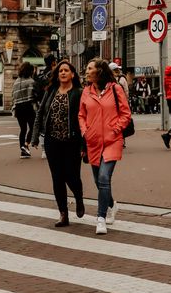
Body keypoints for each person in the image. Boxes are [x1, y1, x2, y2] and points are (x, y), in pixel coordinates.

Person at [79, 58, 132, 235]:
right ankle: (111, 204)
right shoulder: (86, 91)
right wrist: (85, 131)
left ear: (99, 71)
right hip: (93, 142)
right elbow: (81, 115)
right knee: (98, 181)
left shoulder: (115, 89)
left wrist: (116, 129)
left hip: (112, 140)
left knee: (103, 177)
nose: (86, 72)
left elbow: (125, 113)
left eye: (89, 68)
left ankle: (100, 218)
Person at [31, 60, 84, 228]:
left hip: (72, 141)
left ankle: (79, 197)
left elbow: (85, 118)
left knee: (72, 176)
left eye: (66, 70)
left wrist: (85, 144)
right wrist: (34, 137)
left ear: (72, 74)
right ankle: (63, 214)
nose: (63, 73)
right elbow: (40, 113)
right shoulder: (51, 91)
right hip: (52, 141)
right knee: (57, 178)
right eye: (60, 70)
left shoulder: (79, 93)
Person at [12, 62, 38, 158]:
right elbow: (32, 96)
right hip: (28, 106)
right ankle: (26, 144)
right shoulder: (30, 81)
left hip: (18, 108)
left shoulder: (16, 82)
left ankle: (23, 150)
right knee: (33, 127)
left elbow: (13, 96)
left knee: (23, 129)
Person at [34, 53, 58, 158]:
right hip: (53, 101)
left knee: (44, 125)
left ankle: (44, 149)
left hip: (42, 102)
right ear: (53, 62)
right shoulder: (54, 74)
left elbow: (36, 89)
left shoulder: (41, 75)